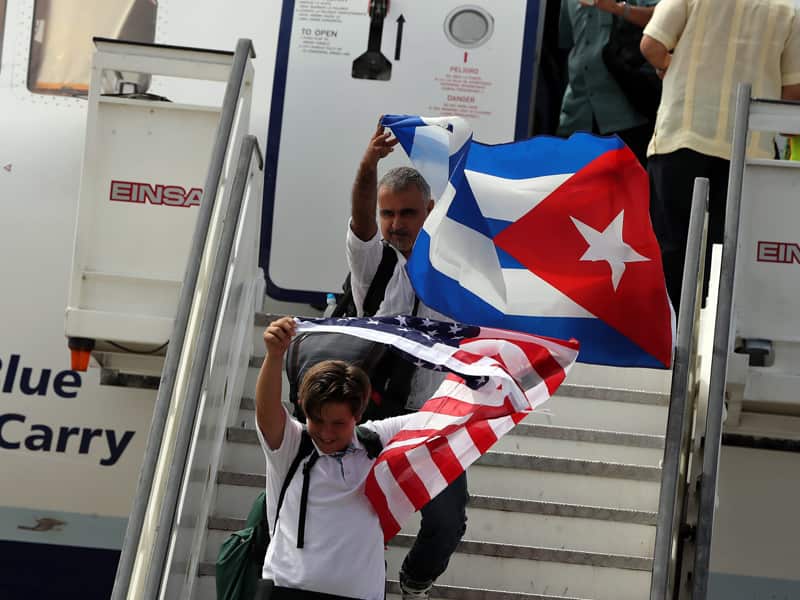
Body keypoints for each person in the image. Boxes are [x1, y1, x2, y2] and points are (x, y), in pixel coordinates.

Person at [347, 122, 468, 599]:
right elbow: (358, 220)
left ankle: (413, 586)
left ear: (429, 213)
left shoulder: (457, 276)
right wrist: (367, 164)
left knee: (446, 524)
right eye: (388, 214)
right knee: (362, 519)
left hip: (435, 422)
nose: (396, 223)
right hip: (372, 415)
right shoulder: (373, 265)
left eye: (408, 213)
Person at [640, 0, 800, 312]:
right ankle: (715, 333)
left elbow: (652, 44)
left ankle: (671, 333)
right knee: (727, 249)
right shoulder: (786, 10)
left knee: (672, 245)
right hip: (748, 148)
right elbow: (792, 92)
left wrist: (668, 67)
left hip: (682, 135)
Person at [255, 316, 412, 600]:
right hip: (284, 592)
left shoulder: (378, 440)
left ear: (358, 415)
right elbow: (267, 413)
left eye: (338, 424)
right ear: (303, 410)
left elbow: (445, 418)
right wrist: (275, 355)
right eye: (317, 420)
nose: (326, 433)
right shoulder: (292, 444)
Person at [558, 0, 659, 166]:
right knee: (576, 187)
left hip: (626, 112)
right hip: (577, 112)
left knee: (624, 188)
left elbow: (661, 19)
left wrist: (617, 8)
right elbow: (566, 42)